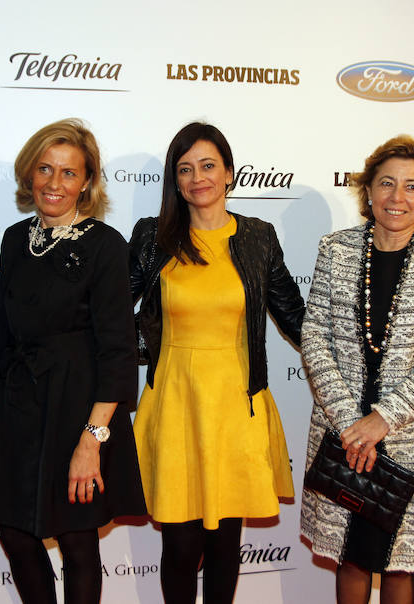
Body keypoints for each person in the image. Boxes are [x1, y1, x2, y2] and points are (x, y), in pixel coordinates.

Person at [0, 118, 145, 604]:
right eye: (45, 169)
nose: (54, 183)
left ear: (86, 181)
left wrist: (93, 439)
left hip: (78, 405)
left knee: (76, 537)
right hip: (16, 401)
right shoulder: (13, 238)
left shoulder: (106, 245)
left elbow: (118, 348)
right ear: (30, 174)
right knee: (16, 533)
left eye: (69, 173)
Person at [129, 122, 305, 603]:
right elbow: (114, 312)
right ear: (175, 180)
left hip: (236, 407)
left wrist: (353, 361)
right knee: (181, 545)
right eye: (185, 169)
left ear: (229, 172)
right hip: (175, 402)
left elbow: (293, 315)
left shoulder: (257, 237)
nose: (197, 178)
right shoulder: (153, 236)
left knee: (225, 544)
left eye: (208, 166)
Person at [301, 135, 414, 604]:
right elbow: (315, 336)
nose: (398, 197)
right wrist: (352, 424)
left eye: (412, 187)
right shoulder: (335, 249)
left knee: (401, 563)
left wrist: (384, 419)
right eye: (387, 184)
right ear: (368, 191)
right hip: (343, 432)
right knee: (351, 555)